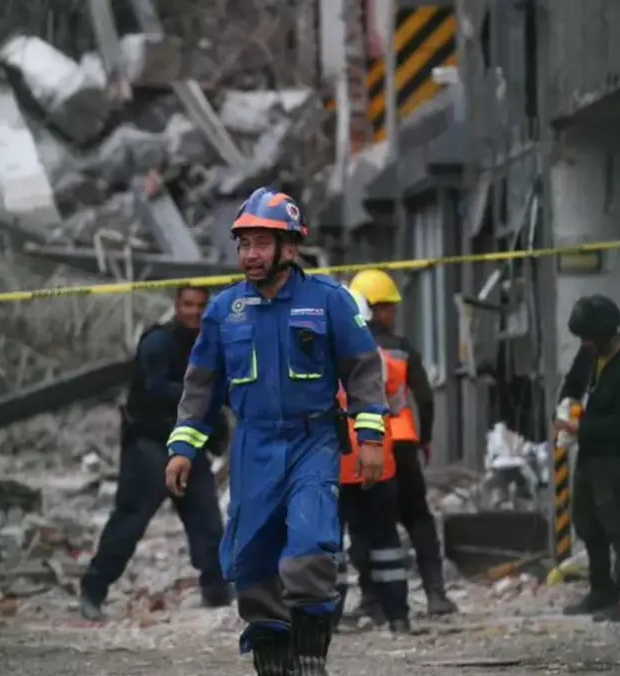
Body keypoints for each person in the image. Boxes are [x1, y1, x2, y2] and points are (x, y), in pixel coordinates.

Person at [163, 187, 388, 676]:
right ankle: (272, 661)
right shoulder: (224, 311)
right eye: (244, 244)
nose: (250, 255)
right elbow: (201, 387)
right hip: (253, 445)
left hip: (313, 442)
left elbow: (364, 371)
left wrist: (370, 439)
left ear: (289, 247)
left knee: (310, 545)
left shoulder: (328, 300)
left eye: (261, 243)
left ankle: (309, 655)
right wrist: (183, 447)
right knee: (251, 559)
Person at [79, 285, 232, 621]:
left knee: (207, 523)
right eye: (188, 305)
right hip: (149, 447)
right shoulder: (157, 343)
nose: (194, 312)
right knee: (128, 524)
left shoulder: (209, 345)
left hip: (188, 446)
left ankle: (218, 593)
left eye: (200, 306)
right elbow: (156, 390)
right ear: (177, 307)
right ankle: (93, 590)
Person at [347, 268, 458, 617]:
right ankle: (435, 593)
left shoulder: (344, 347)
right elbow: (424, 397)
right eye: (387, 307)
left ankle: (372, 599)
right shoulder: (402, 348)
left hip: (363, 444)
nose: (392, 313)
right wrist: (425, 439)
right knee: (416, 517)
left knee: (365, 524)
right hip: (402, 440)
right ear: (373, 308)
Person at [555, 294, 620, 617]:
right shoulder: (588, 354)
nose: (585, 344)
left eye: (589, 338)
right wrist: (565, 409)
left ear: (605, 335)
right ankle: (601, 589)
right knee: (586, 522)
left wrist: (582, 427)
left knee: (616, 525)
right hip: (589, 453)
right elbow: (571, 385)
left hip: (614, 457)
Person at [331, 286, 412, 635]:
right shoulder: (384, 361)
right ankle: (398, 616)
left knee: (329, 543)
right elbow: (397, 404)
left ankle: (328, 619)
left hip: (333, 465)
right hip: (378, 461)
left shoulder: (316, 361)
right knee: (385, 542)